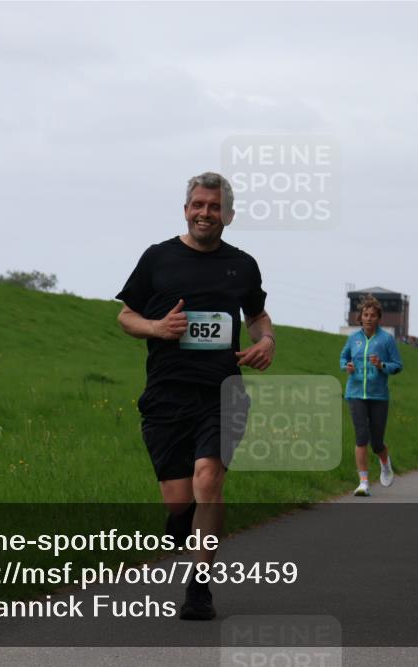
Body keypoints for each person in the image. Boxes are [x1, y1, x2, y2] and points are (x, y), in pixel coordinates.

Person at [116, 171, 275, 621]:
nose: (206, 213)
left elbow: (257, 316)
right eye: (198, 205)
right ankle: (182, 521)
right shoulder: (158, 258)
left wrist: (266, 341)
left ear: (229, 214)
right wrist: (156, 327)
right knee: (177, 500)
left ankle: (200, 586)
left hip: (222, 391)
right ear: (186, 209)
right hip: (167, 394)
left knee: (208, 479)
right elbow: (126, 316)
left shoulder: (242, 265)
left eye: (215, 206)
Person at [340, 295, 403, 496]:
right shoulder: (353, 339)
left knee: (376, 443)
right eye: (365, 315)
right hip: (355, 393)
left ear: (378, 318)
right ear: (360, 317)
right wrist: (347, 366)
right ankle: (364, 483)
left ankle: (385, 463)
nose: (368, 318)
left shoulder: (386, 340)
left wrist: (382, 365)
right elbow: (343, 358)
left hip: (378, 396)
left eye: (372, 315)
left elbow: (397, 365)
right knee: (361, 437)